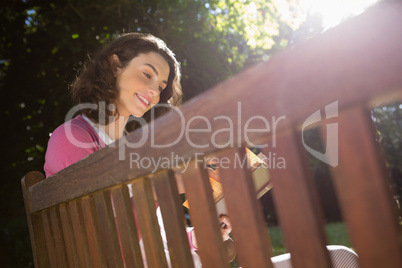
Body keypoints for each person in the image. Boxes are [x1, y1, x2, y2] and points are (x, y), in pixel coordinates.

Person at [43, 32, 232, 267]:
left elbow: (155, 235)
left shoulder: (138, 153)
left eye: (161, 86)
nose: (154, 91)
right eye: (147, 74)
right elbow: (102, 245)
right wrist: (160, 187)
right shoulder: (73, 138)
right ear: (114, 66)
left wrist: (199, 235)